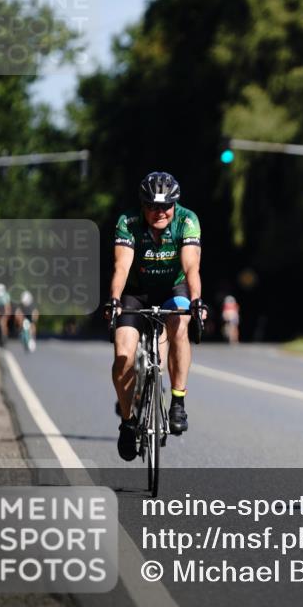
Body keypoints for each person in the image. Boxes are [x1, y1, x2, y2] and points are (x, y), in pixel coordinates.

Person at [103, 172, 207, 461]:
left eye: (166, 206)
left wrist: (196, 300)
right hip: (136, 292)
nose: (160, 212)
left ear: (175, 204)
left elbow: (191, 266)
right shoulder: (129, 222)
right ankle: (127, 422)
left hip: (174, 288)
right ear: (142, 205)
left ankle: (177, 402)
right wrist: (114, 299)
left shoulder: (187, 220)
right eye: (152, 206)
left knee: (179, 325)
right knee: (123, 353)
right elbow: (122, 266)